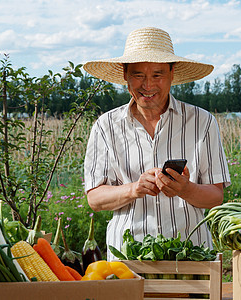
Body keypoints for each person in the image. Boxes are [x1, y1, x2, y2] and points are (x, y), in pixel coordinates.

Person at [83, 27, 231, 260]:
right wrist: (134, 189)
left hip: (191, 255)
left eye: (157, 75)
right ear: (125, 75)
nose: (148, 85)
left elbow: (216, 196)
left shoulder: (202, 121)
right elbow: (95, 198)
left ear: (172, 73)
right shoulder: (106, 126)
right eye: (138, 75)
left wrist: (186, 189)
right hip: (127, 259)